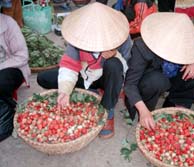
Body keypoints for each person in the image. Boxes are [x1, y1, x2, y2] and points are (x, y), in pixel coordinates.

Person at [37, 2, 132, 139]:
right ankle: (91, 91)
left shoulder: (121, 37)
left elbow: (127, 68)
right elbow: (69, 65)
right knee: (44, 78)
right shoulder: (77, 37)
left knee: (114, 64)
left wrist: (115, 54)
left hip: (107, 77)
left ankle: (107, 109)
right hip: (84, 75)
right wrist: (65, 90)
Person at [124, 13, 194, 130]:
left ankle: (175, 104)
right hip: (150, 81)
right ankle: (148, 111)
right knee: (157, 81)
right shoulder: (142, 47)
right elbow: (130, 85)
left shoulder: (185, 44)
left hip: (172, 74)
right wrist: (143, 111)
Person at [0, 13, 30, 141]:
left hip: (12, 67)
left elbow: (22, 56)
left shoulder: (8, 23)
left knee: (1, 82)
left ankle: (10, 108)